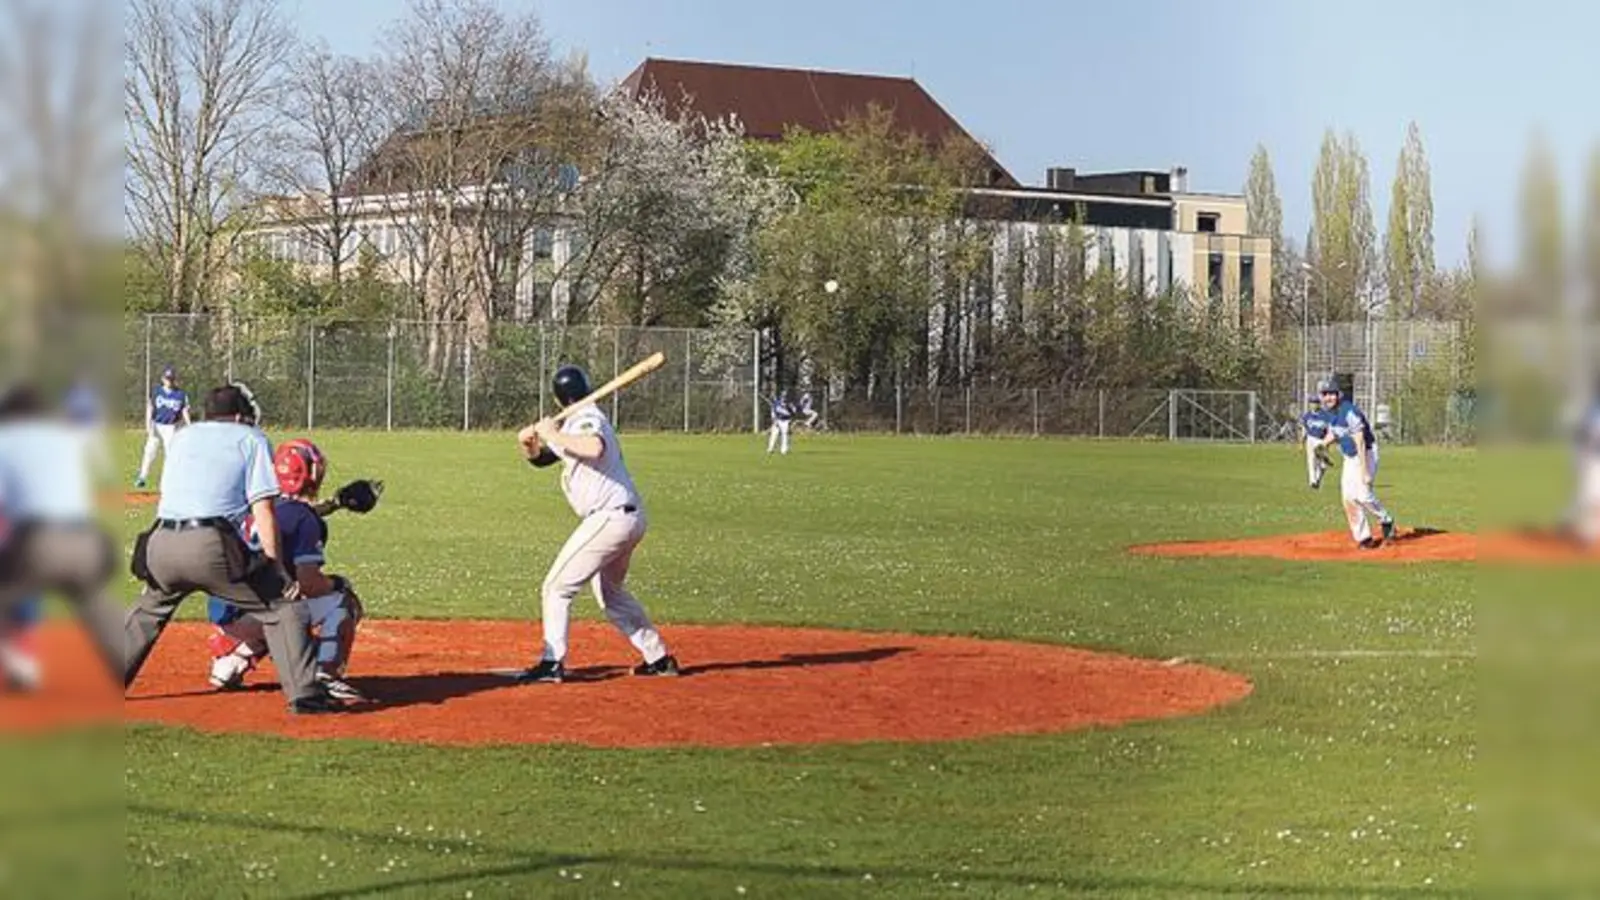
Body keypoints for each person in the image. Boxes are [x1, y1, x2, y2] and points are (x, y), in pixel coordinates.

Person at [123, 384, 344, 714]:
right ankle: (306, 696)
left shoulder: (183, 437)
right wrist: (276, 570)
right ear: (240, 416)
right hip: (210, 545)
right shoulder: (250, 438)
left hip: (160, 542)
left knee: (148, 610)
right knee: (285, 609)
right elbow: (264, 510)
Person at [513, 364, 679, 683]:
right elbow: (543, 459)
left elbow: (594, 447)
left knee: (556, 587)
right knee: (610, 593)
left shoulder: (587, 417)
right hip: (625, 517)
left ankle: (551, 663)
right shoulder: (574, 422)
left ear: (558, 397)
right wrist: (528, 444)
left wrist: (551, 432)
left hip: (610, 517)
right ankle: (658, 658)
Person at [204, 438, 367, 701]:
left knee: (277, 594)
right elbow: (310, 582)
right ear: (310, 473)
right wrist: (338, 583)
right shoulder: (303, 519)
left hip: (225, 612)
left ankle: (230, 661)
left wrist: (335, 503)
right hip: (259, 615)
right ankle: (326, 675)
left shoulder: (255, 505)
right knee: (340, 600)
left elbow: (288, 515)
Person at [0, 383, 124, 689]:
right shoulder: (63, 439)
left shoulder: (6, 440)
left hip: (39, 543)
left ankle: (22, 665)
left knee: (12, 590)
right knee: (96, 605)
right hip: (87, 543)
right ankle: (126, 664)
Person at [1315, 378, 1396, 549]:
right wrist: (1323, 444)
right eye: (1325, 394)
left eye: (1331, 393)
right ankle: (1364, 538)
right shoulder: (1328, 412)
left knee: (1363, 495)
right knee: (1348, 498)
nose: (1328, 397)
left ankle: (1386, 520)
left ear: (1338, 394)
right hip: (1349, 457)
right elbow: (1336, 433)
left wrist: (1365, 471)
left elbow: (1360, 441)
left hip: (1365, 453)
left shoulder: (1349, 411)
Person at [136, 364, 191, 489]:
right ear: (162, 379)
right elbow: (150, 407)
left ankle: (167, 481)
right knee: (149, 451)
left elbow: (184, 411)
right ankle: (142, 477)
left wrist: (189, 425)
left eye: (171, 379)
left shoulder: (180, 394)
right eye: (167, 379)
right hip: (157, 425)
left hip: (171, 427)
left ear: (174, 379)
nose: (169, 381)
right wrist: (148, 424)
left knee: (170, 455)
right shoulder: (157, 392)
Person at [1300, 399, 1335, 490]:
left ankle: (1318, 479)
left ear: (1319, 404)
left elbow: (1330, 430)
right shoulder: (1307, 416)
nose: (1313, 405)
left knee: (1323, 464)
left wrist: (1329, 442)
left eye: (1315, 403)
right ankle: (1313, 481)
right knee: (1311, 460)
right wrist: (1302, 442)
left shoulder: (1325, 415)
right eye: (1312, 403)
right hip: (1310, 439)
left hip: (1321, 440)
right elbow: (1304, 429)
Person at [766, 391, 794, 455]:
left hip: (785, 421)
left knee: (784, 435)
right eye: (783, 396)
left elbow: (792, 412)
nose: (784, 397)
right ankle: (770, 449)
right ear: (781, 396)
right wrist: (774, 420)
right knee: (774, 435)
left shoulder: (789, 404)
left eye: (785, 396)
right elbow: (773, 412)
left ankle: (783, 450)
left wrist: (790, 418)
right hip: (777, 420)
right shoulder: (777, 403)